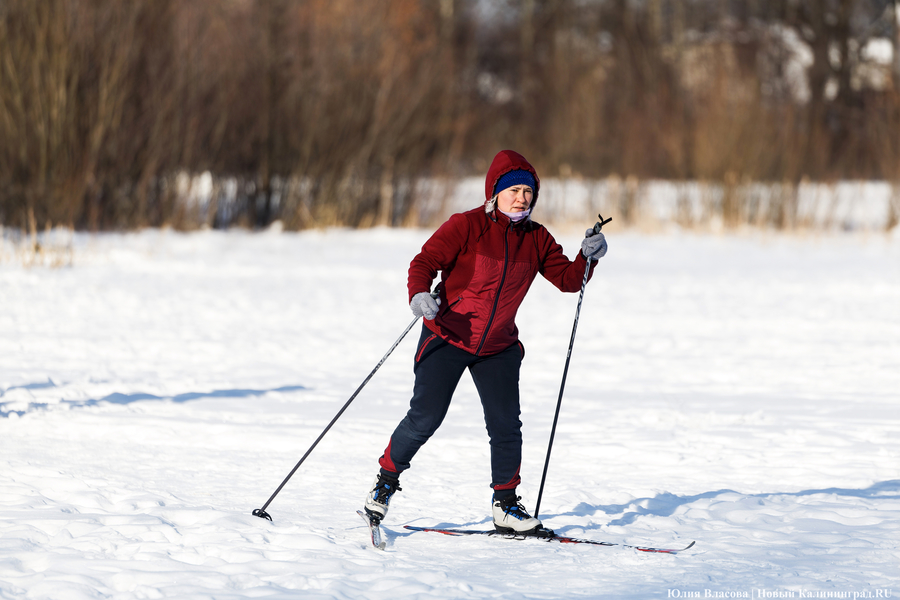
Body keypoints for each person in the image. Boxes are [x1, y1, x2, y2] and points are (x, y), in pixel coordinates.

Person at [363, 149, 608, 534]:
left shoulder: (537, 238)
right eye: (514, 190)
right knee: (425, 417)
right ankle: (385, 483)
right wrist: (419, 294)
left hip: (497, 347)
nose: (522, 198)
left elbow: (568, 280)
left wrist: (588, 256)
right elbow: (424, 262)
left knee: (506, 425)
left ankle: (506, 505)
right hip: (448, 334)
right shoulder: (467, 226)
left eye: (528, 192)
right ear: (494, 193)